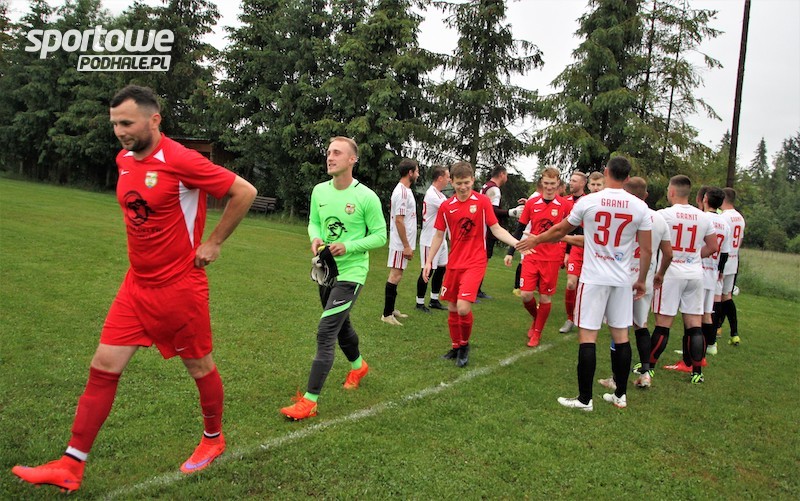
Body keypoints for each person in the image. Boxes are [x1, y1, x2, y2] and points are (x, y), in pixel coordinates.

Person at [11, 85, 258, 492]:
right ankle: (71, 464)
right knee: (103, 366)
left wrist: (213, 242)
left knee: (199, 367)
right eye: (114, 124)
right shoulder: (124, 159)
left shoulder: (181, 159)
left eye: (126, 123)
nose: (120, 132)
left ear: (154, 119)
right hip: (136, 286)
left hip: (179, 287)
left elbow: (244, 191)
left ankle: (213, 439)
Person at [516, 157, 652, 411]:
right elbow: (646, 249)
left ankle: (584, 399)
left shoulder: (590, 201)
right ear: (627, 177)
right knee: (621, 337)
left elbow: (560, 230)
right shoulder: (639, 206)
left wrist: (536, 240)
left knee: (588, 336)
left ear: (606, 172)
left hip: (593, 278)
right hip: (622, 279)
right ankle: (620, 395)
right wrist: (642, 280)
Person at [280, 137, 387, 421]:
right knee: (341, 326)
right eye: (329, 152)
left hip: (352, 274)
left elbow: (380, 236)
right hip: (327, 270)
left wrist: (348, 246)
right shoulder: (319, 191)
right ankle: (359, 366)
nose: (330, 157)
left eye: (337, 153)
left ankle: (309, 401)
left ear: (352, 159)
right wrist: (315, 237)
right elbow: (314, 221)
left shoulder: (366, 197)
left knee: (326, 331)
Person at [423, 161, 519, 368]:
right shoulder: (446, 207)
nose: (463, 187)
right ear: (452, 182)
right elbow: (439, 235)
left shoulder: (483, 202)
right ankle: (455, 346)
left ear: (473, 180)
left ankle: (464, 346)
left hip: (475, 262)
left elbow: (496, 229)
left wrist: (516, 243)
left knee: (463, 307)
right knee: (452, 307)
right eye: (459, 183)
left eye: (466, 182)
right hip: (454, 262)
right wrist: (429, 261)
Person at [597, 177, 672, 390]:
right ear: (646, 195)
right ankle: (646, 373)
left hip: (621, 277)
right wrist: (660, 274)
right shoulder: (659, 218)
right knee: (641, 325)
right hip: (644, 277)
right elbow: (668, 253)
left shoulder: (621, 213)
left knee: (618, 328)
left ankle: (616, 378)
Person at [649, 175, 718, 384]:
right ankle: (697, 372)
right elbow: (713, 246)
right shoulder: (703, 217)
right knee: (694, 325)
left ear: (671, 192)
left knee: (663, 323)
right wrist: (694, 256)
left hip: (671, 272)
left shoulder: (663, 215)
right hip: (695, 273)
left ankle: (648, 367)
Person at [504, 167, 572, 348]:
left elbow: (572, 230)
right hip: (531, 254)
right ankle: (537, 319)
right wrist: (510, 252)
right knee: (526, 294)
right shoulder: (532, 203)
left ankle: (537, 333)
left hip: (551, 257)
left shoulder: (565, 205)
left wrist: (567, 252)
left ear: (558, 183)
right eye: (546, 183)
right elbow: (520, 229)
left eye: (552, 183)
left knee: (545, 298)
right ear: (541, 182)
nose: (549, 187)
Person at [381, 159, 420, 325]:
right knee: (395, 275)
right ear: (410, 173)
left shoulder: (406, 190)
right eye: (416, 171)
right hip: (400, 244)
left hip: (403, 243)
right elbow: (399, 220)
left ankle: (391, 310)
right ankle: (386, 314)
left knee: (398, 275)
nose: (418, 174)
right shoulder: (402, 192)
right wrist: (406, 246)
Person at [416, 165, 451, 313]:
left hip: (440, 238)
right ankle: (419, 302)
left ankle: (434, 299)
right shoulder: (431, 194)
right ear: (440, 178)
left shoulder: (440, 195)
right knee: (427, 270)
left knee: (442, 268)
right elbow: (449, 208)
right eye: (448, 177)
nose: (449, 180)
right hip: (430, 238)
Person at [558, 170, 589, 334]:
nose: (571, 183)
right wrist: (566, 251)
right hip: (574, 247)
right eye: (571, 180)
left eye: (575, 180)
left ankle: (583, 315)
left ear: (583, 184)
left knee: (586, 285)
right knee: (571, 283)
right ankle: (570, 318)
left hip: (590, 249)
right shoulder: (565, 201)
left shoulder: (589, 201)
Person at [716, 187, 746, 346]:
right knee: (727, 297)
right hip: (734, 260)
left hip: (723, 260)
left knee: (716, 298)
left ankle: (715, 330)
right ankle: (734, 333)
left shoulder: (723, 217)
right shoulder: (740, 218)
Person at [477, 165, 510, 299]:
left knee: (481, 258)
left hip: (481, 226)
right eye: (506, 175)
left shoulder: (486, 186)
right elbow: (492, 210)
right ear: (501, 174)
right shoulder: (494, 189)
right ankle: (475, 290)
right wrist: (510, 213)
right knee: (483, 259)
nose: (506, 178)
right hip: (487, 229)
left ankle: (476, 289)